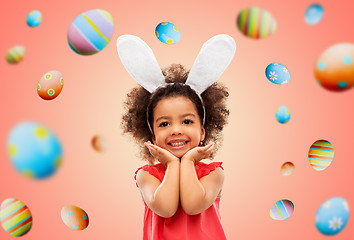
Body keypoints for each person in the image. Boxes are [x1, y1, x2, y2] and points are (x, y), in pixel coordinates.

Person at [118, 34, 236, 240]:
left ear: (202, 132)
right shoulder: (147, 176)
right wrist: (172, 165)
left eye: (187, 121)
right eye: (164, 124)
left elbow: (192, 205)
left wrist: (188, 161)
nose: (176, 130)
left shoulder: (213, 174)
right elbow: (165, 208)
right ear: (153, 137)